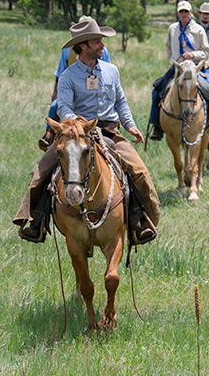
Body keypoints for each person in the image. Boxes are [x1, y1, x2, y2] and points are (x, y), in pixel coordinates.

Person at [14, 18, 159, 244]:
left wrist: (130, 125)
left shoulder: (112, 71)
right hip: (75, 135)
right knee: (39, 174)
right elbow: (62, 106)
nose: (102, 45)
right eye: (96, 41)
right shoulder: (68, 76)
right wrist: (76, 125)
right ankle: (36, 221)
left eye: (101, 41)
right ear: (83, 46)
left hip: (110, 132)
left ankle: (140, 221)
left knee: (140, 172)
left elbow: (121, 101)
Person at [148, 0, 209, 142]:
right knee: (156, 90)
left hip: (195, 67)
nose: (183, 14)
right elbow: (168, 47)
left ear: (191, 13)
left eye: (186, 11)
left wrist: (193, 55)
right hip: (178, 68)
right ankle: (156, 126)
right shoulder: (172, 29)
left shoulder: (198, 30)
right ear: (177, 13)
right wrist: (174, 62)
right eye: (181, 11)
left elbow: (206, 52)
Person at [38, 15, 111, 151]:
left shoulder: (102, 51)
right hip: (72, 88)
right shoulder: (67, 51)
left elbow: (107, 72)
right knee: (55, 105)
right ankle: (49, 133)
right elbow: (60, 71)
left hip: (97, 93)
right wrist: (56, 92)